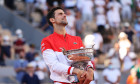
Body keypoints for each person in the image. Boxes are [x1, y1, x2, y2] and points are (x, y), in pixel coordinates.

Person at [41, 7, 94, 84]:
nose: (64, 15)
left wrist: (90, 69)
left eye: (64, 13)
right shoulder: (47, 41)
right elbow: (53, 65)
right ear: (52, 20)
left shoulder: (77, 39)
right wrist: (74, 70)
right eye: (60, 14)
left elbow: (85, 60)